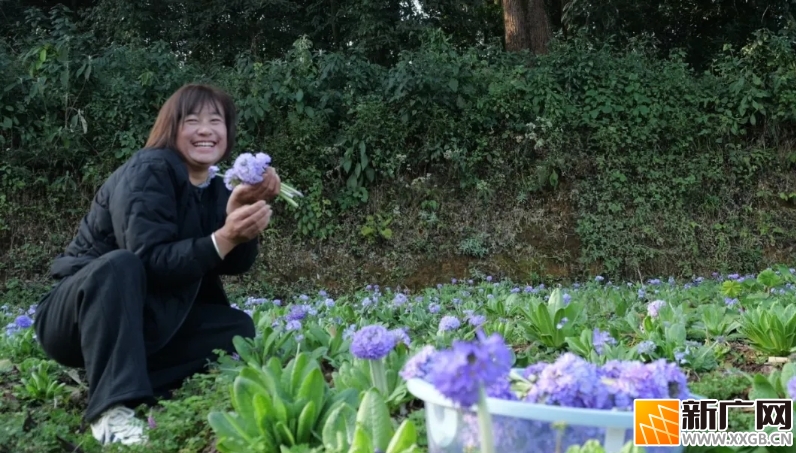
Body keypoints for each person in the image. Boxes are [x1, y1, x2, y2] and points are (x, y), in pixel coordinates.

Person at [33, 83, 280, 446]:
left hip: (148, 318)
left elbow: (234, 264)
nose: (206, 130)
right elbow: (148, 260)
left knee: (236, 328)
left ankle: (129, 376)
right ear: (171, 127)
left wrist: (242, 216)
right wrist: (223, 237)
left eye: (216, 120)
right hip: (78, 317)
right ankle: (111, 412)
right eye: (192, 120)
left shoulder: (214, 186)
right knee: (119, 265)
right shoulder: (150, 169)